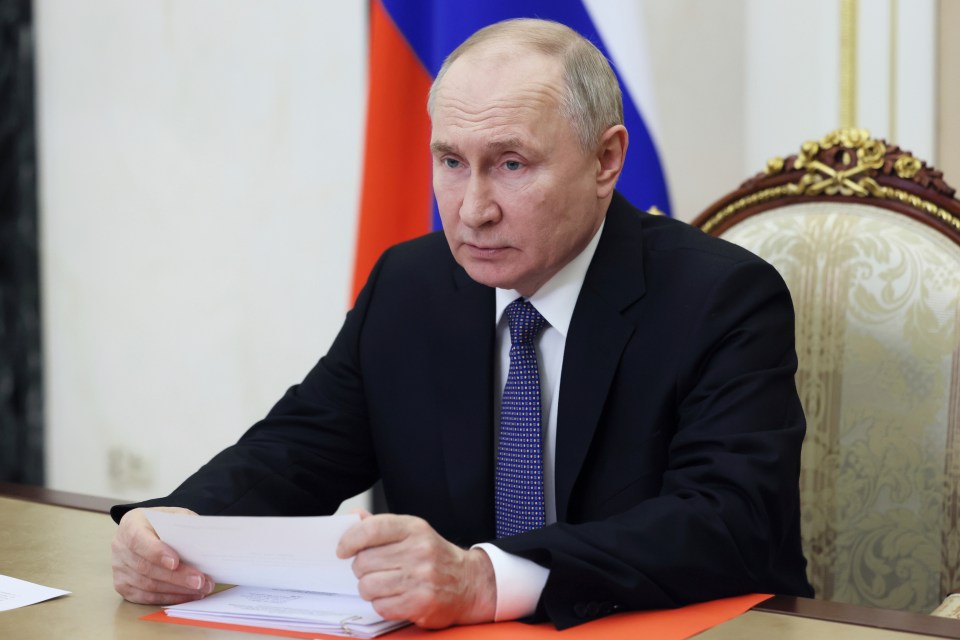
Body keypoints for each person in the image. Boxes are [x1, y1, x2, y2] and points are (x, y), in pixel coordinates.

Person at [110, 18, 813, 630]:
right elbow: (299, 449)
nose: (472, 209)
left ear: (607, 160)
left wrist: (488, 579)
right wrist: (177, 526)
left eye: (510, 164)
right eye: (450, 162)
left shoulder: (721, 298)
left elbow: (730, 527)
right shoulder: (412, 285)